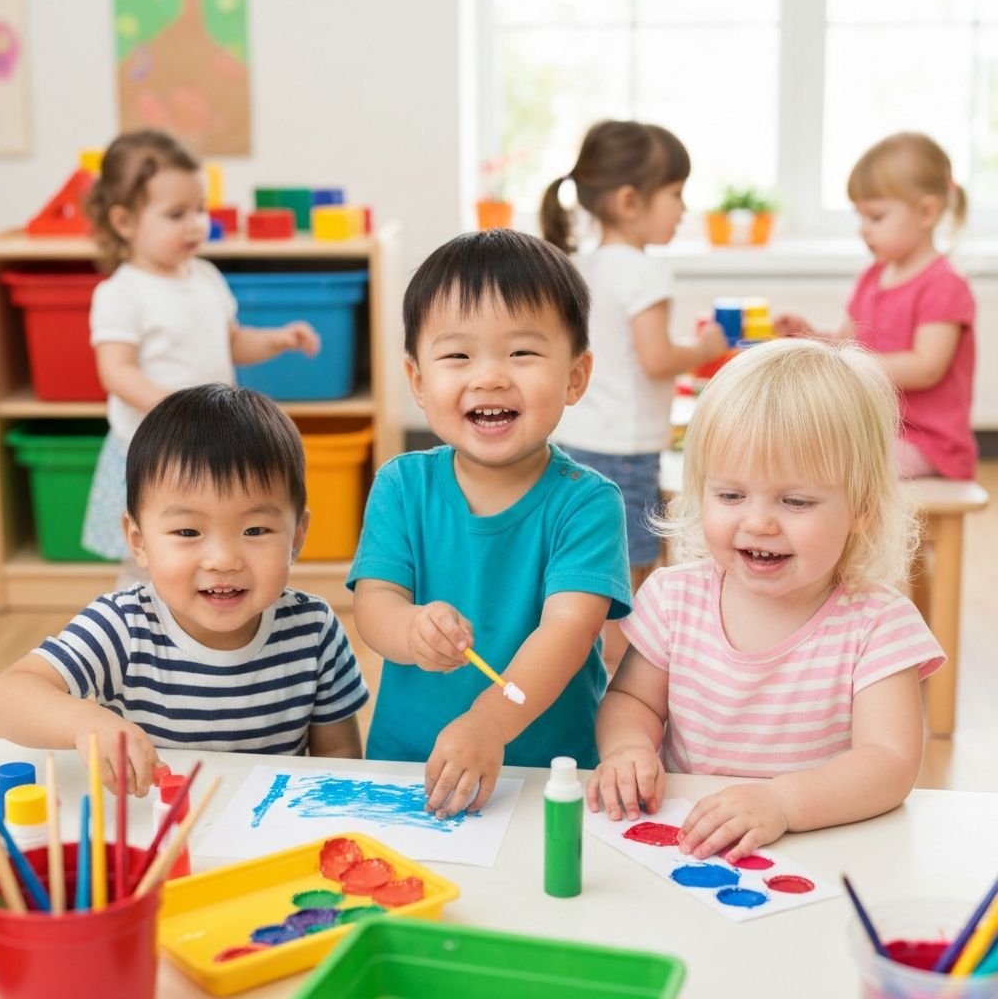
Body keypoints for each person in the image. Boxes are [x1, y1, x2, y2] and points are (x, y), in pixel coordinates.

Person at [587, 338, 944, 861]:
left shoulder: (878, 625)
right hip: (692, 846)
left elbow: (888, 763)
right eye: (730, 496)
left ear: (862, 508)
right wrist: (628, 749)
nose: (758, 522)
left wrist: (783, 801)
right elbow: (632, 700)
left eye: (795, 501)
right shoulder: (673, 598)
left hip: (823, 848)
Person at [348, 229, 632, 818]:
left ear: (576, 377)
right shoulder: (401, 486)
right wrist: (411, 630)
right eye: (458, 355)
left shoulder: (588, 504)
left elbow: (567, 636)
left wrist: (489, 723)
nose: (490, 377)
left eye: (522, 353)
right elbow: (374, 606)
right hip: (412, 768)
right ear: (419, 381)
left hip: (549, 776)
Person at [0, 384, 368, 795]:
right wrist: (85, 723)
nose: (223, 559)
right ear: (138, 541)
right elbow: (5, 696)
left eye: (255, 530)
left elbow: (340, 756)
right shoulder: (124, 626)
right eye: (188, 531)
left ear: (296, 536)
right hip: (153, 837)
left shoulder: (313, 630)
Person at [81, 129, 320, 584]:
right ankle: (138, 632)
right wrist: (173, 410)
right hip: (150, 451)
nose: (195, 224)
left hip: (209, 446)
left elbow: (229, 341)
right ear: (124, 222)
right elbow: (115, 371)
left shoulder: (206, 277)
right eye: (176, 214)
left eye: (199, 210)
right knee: (149, 558)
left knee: (208, 542)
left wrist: (276, 339)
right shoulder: (121, 293)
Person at [540, 120, 728, 668]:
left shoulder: (582, 265)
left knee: (577, 573)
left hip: (572, 441)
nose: (683, 209)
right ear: (628, 201)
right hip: (624, 454)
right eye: (675, 194)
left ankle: (570, 672)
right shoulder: (645, 272)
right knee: (630, 584)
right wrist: (705, 345)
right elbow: (655, 358)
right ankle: (619, 690)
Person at [775, 131, 975, 480]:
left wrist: (854, 366)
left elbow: (927, 367)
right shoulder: (872, 278)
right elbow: (848, 345)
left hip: (929, 443)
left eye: (876, 217)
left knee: (835, 466)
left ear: (927, 212)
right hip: (875, 428)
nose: (863, 230)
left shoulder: (944, 284)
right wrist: (809, 335)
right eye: (860, 217)